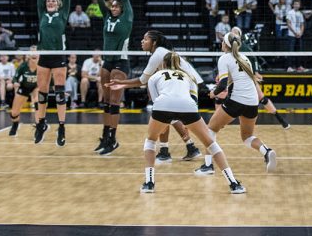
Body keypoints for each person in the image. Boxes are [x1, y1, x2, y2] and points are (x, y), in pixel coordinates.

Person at [118, 52, 245, 194]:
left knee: (151, 141)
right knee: (210, 144)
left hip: (163, 105)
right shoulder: (188, 76)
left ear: (163, 64)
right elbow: (194, 99)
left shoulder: (154, 76)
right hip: (188, 106)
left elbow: (155, 101)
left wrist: (168, 120)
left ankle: (149, 183)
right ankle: (233, 183)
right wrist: (188, 120)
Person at [108, 30, 202, 163]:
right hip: (188, 86)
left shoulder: (158, 54)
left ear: (154, 42)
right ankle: (190, 148)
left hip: (187, 87)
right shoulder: (162, 53)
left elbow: (142, 80)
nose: (142, 41)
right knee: (169, 115)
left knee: (163, 112)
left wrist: (121, 84)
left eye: (145, 39)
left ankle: (166, 152)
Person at [194, 29, 278, 176]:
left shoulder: (224, 58)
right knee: (247, 138)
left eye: (222, 42)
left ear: (225, 45)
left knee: (210, 130)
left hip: (237, 100)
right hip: (252, 102)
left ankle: (208, 166)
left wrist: (213, 93)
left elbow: (222, 85)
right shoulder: (244, 58)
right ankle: (266, 151)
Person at [83, 0, 134, 155]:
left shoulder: (127, 16)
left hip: (121, 63)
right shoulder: (106, 16)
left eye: (116, 6)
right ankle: (105, 137)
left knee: (114, 101)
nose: (113, 7)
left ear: (122, 8)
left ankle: (113, 139)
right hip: (107, 62)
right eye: (112, 6)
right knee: (105, 101)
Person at [31, 0, 73, 147]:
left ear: (58, 5)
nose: (50, 2)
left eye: (53, 1)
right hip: (44, 57)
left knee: (60, 93)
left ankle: (62, 126)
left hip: (58, 57)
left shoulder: (62, 15)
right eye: (49, 0)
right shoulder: (42, 13)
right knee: (42, 92)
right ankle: (41, 124)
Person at [8, 50, 39, 136]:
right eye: (32, 53)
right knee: (14, 113)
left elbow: (49, 80)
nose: (34, 54)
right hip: (24, 87)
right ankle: (15, 125)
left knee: (37, 103)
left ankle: (39, 126)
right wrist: (15, 82)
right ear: (28, 56)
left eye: (36, 52)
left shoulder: (42, 66)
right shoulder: (23, 66)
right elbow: (15, 78)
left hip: (36, 87)